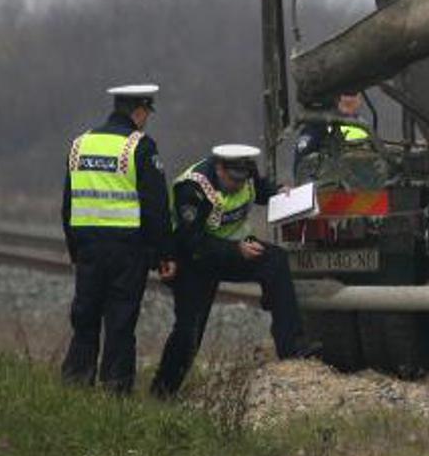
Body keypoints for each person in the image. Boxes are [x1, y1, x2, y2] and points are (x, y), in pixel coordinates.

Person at [150, 144, 315, 396]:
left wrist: (279, 191)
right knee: (189, 331)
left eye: (242, 179)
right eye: (233, 180)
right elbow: (190, 240)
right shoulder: (193, 187)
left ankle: (291, 350)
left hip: (235, 249)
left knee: (275, 261)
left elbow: (259, 189)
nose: (238, 185)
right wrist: (236, 249)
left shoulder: (245, 174)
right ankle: (163, 392)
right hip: (195, 260)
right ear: (219, 168)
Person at [60, 83, 175, 393]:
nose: (146, 120)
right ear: (139, 112)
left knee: (85, 319)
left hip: (88, 247)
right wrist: (165, 254)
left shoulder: (80, 144)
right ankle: (115, 391)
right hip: (127, 251)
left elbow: (68, 204)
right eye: (147, 113)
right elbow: (155, 206)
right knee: (120, 322)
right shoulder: (140, 146)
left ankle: (75, 385)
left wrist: (75, 250)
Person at [292, 91, 374, 179]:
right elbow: (302, 167)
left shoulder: (365, 126)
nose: (348, 100)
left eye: (353, 95)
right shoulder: (319, 127)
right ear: (336, 98)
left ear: (360, 99)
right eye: (345, 94)